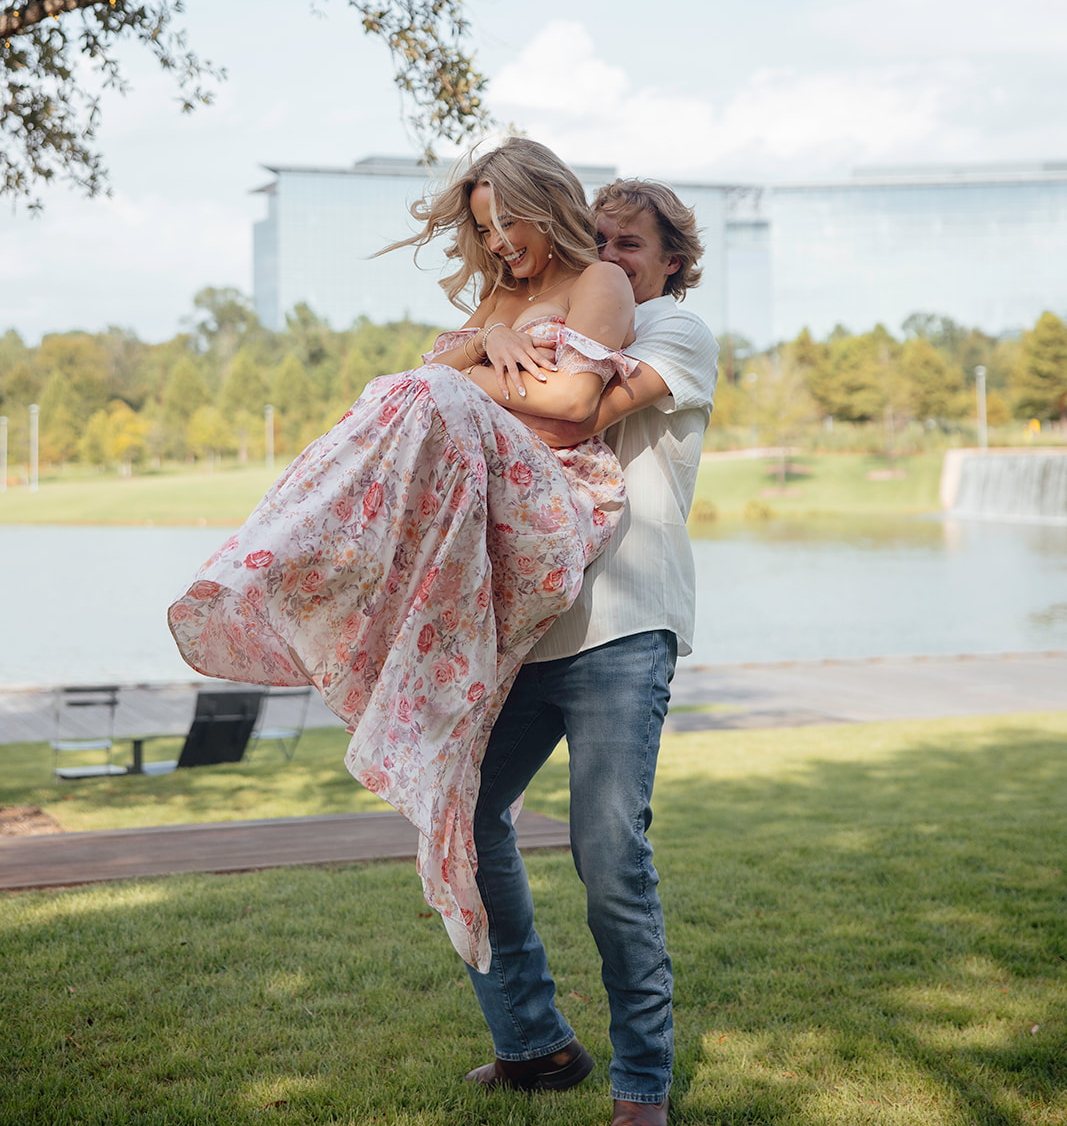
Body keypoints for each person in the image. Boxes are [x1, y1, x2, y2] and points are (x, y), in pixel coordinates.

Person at [168, 139, 639, 971]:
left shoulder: (596, 282)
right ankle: (315, 566)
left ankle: (294, 561)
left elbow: (569, 405)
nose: (496, 245)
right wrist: (473, 351)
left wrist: (466, 366)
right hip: (487, 486)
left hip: (556, 492)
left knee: (413, 390)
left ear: (547, 204)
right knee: (402, 394)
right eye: (484, 230)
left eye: (506, 225)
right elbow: (437, 379)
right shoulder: (501, 293)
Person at [461, 178, 719, 1126]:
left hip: (623, 627)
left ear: (670, 264)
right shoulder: (561, 313)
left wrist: (481, 356)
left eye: (630, 247)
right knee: (464, 817)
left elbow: (570, 414)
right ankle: (535, 1045)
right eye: (598, 241)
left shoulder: (673, 336)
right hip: (532, 630)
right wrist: (493, 340)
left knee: (608, 854)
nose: (609, 258)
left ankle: (641, 1083)